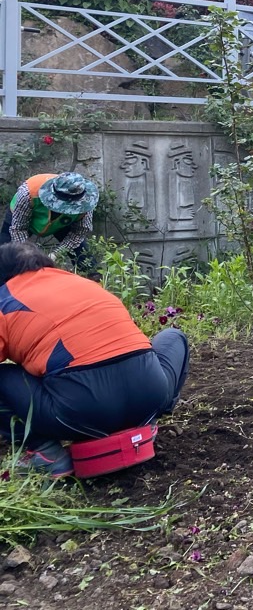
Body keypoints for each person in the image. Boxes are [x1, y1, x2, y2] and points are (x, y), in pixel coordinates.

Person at [0, 243, 190, 478]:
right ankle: (144, 424)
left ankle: (45, 453)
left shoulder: (5, 299)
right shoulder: (83, 284)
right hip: (149, 395)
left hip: (80, 410)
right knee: (173, 336)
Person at [2, 172, 99, 273]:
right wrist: (27, 256)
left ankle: (95, 281)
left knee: (85, 257)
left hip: (63, 224)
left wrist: (55, 255)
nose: (64, 210)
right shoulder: (28, 193)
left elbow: (78, 233)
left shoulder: (86, 201)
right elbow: (18, 229)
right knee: (4, 256)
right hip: (22, 219)